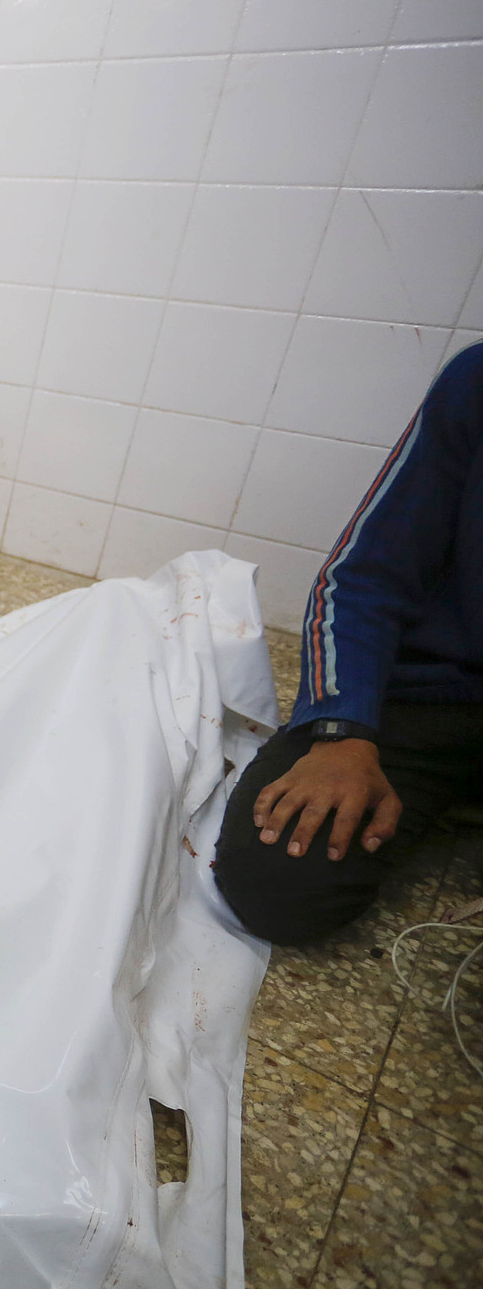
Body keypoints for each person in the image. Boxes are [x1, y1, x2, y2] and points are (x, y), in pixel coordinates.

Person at [213, 342, 482, 943]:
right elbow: (361, 576)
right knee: (281, 881)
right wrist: (343, 729)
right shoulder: (478, 380)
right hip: (442, 696)